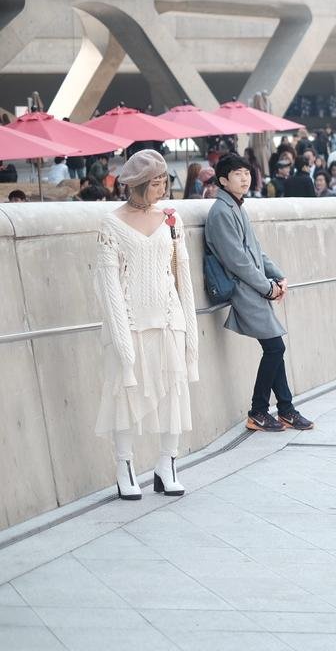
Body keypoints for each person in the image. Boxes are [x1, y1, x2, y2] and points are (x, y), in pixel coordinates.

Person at [94, 150, 198, 500]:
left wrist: (190, 334)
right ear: (137, 186)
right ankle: (124, 466)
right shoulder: (111, 223)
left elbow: (182, 274)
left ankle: (167, 464)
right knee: (124, 394)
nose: (162, 189)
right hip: (130, 321)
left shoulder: (172, 219)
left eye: (164, 182)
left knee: (173, 392)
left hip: (169, 318)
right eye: (155, 183)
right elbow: (107, 283)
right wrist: (121, 340)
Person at [205, 154, 313, 433]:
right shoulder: (221, 212)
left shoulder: (237, 208)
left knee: (273, 348)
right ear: (223, 180)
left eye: (247, 173)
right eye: (237, 174)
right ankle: (259, 410)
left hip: (254, 288)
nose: (244, 178)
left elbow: (256, 250)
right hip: (244, 290)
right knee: (275, 348)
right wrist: (267, 287)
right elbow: (237, 260)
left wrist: (278, 275)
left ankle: (285, 409)